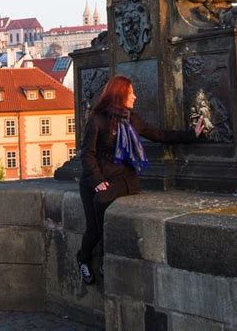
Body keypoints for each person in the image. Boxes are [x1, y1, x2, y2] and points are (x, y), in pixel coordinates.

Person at [76, 75, 204, 284]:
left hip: (120, 177)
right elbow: (87, 154)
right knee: (92, 228)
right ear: (119, 95)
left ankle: (105, 256)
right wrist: (97, 180)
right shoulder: (97, 119)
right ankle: (83, 259)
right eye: (130, 92)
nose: (135, 97)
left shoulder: (130, 119)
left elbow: (159, 134)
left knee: (101, 201)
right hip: (94, 178)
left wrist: (192, 135)